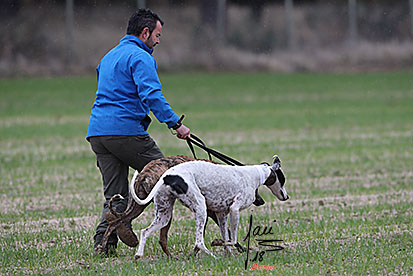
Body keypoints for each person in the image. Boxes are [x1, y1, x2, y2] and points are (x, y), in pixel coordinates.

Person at [86, 8, 190, 255]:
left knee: (115, 194)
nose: (158, 40)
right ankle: (125, 221)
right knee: (167, 175)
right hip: (125, 132)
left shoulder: (108, 56)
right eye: (157, 35)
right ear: (145, 33)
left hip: (99, 133)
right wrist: (176, 123)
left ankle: (104, 245)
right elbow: (151, 95)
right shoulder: (141, 57)